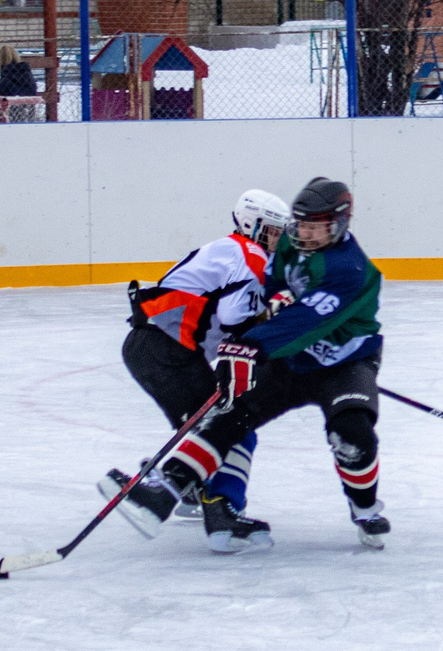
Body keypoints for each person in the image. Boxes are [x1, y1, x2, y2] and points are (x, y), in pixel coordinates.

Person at [125, 177, 387, 552]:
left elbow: (305, 321)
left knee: (352, 435)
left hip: (343, 364)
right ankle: (165, 490)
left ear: (340, 224)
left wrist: (249, 345)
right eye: (302, 226)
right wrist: (277, 297)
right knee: (228, 417)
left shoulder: (351, 270)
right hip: (290, 360)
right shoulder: (291, 245)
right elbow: (274, 283)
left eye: (316, 228)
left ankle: (364, 509)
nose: (305, 235)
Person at [105, 189, 288, 528]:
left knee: (206, 429)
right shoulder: (251, 256)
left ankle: (188, 487)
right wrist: (272, 330)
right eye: (273, 230)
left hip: (153, 346)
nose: (278, 239)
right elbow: (234, 318)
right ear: (253, 225)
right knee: (231, 425)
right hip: (166, 351)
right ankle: (205, 507)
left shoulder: (231, 248)